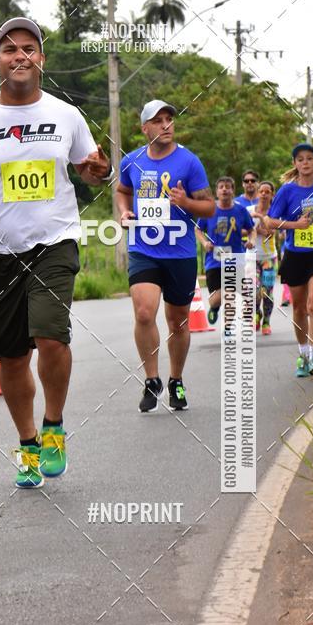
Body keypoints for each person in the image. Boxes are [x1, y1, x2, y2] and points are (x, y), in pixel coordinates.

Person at [0, 17, 111, 488]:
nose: (20, 56)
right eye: (9, 50)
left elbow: (92, 171)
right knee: (9, 359)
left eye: (29, 48)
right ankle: (28, 443)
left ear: (42, 59)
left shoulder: (67, 116)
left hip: (54, 242)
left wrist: (99, 172)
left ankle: (53, 426)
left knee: (51, 336)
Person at [116, 100, 215, 412]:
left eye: (169, 119)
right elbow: (121, 190)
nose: (166, 125)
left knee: (178, 322)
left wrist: (186, 202)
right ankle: (151, 379)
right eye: (158, 121)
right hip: (144, 248)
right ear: (145, 128)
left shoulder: (189, 162)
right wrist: (124, 211)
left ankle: (176, 380)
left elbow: (209, 207)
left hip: (180, 253)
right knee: (144, 313)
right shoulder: (132, 162)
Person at [266, 143, 313, 377]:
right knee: (300, 307)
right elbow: (270, 222)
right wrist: (295, 225)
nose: (305, 162)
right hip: (294, 254)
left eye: (310, 158)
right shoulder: (287, 191)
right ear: (295, 164)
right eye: (300, 159)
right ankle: (302, 353)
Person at [196, 177, 256, 324]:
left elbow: (251, 229)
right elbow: (197, 229)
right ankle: (215, 308)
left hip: (236, 259)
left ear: (232, 191)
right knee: (216, 299)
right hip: (214, 261)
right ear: (216, 192)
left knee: (230, 292)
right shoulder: (210, 210)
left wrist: (251, 241)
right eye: (221, 187)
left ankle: (228, 327)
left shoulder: (240, 210)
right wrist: (204, 243)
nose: (224, 189)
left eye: (228, 187)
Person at [247, 181, 277, 334]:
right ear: (258, 193)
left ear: (272, 194)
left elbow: (271, 232)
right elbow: (240, 231)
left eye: (268, 192)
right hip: (251, 258)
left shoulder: (274, 212)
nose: (264, 194)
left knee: (267, 291)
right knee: (254, 290)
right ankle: (256, 315)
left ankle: (266, 322)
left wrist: (259, 216)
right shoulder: (248, 210)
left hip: (269, 258)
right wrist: (254, 232)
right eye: (262, 191)